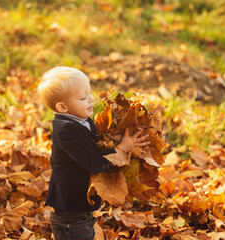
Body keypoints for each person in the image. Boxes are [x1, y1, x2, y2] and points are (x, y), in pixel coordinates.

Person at [37, 66, 150, 240]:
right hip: (69, 212)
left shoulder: (83, 120)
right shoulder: (66, 130)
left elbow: (97, 144)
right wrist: (122, 148)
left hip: (81, 207)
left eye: (89, 93)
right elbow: (93, 162)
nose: (91, 99)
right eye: (83, 97)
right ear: (62, 107)